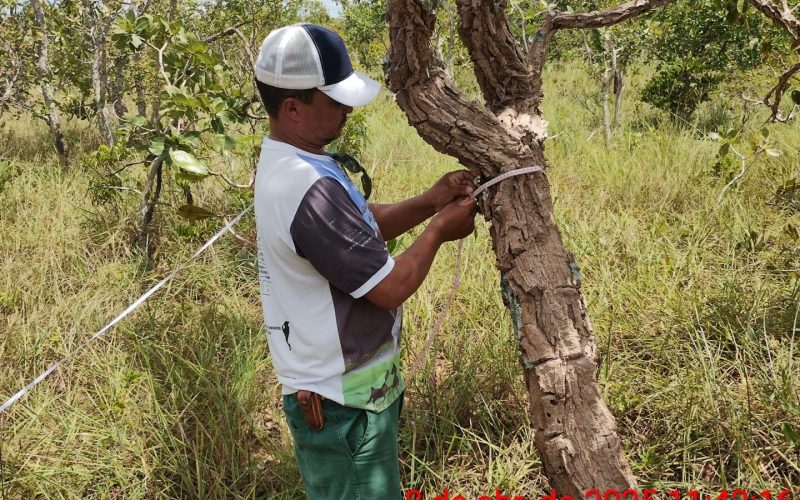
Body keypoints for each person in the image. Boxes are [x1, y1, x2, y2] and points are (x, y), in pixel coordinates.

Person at [252, 23, 477, 498]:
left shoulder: (304, 160)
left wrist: (429, 201)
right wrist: (439, 231)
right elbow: (389, 287)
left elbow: (358, 227)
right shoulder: (304, 187)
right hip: (341, 404)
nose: (348, 110)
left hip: (356, 392)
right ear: (292, 108)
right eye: (335, 101)